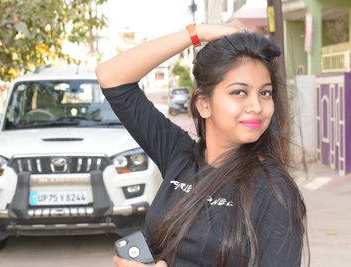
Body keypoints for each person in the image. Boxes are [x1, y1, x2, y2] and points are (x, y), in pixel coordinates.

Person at [96, 23, 309, 267]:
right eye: (240, 92)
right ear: (203, 104)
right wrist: (196, 33)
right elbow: (111, 76)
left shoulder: (274, 191)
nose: (257, 106)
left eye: (265, 93)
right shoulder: (179, 154)